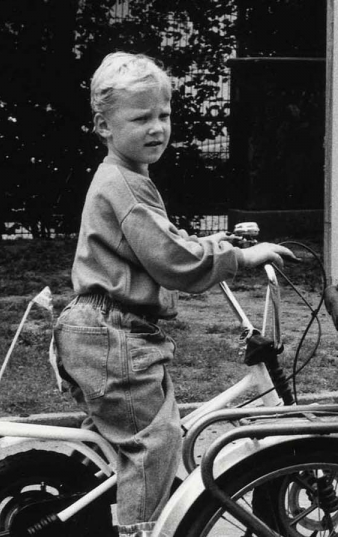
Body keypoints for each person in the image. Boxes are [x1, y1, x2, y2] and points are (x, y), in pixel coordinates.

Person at [53, 52, 295, 537]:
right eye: (141, 118)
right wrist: (241, 258)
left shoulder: (128, 178)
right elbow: (171, 260)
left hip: (109, 330)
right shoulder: (124, 184)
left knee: (146, 430)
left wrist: (217, 244)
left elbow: (164, 239)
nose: (157, 127)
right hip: (111, 334)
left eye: (163, 115)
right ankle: (142, 531)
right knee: (156, 439)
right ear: (104, 125)